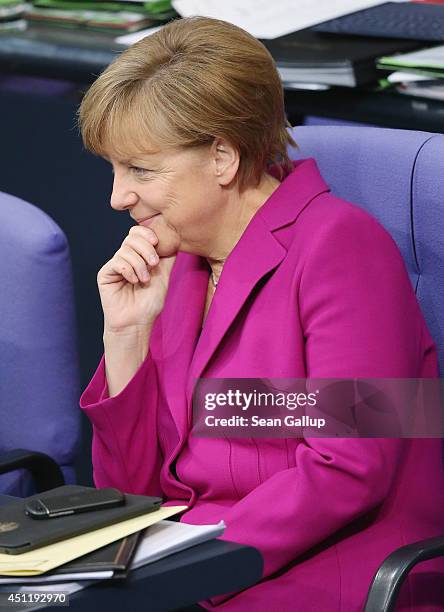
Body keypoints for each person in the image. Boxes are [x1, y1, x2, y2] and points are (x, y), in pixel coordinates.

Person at [78, 16, 444, 611]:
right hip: (195, 565)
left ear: (222, 155)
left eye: (141, 170)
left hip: (324, 574)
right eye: (114, 170)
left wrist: (188, 566)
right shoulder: (180, 262)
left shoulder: (343, 249)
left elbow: (347, 467)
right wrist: (127, 336)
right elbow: (131, 495)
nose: (117, 197)